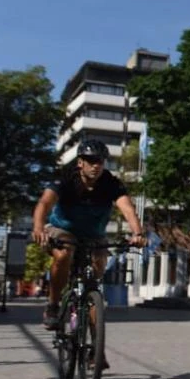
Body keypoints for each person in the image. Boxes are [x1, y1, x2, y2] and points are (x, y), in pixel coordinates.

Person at [31, 138, 147, 338]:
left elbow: (128, 209)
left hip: (93, 235)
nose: (96, 165)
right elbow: (44, 203)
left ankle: (95, 350)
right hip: (62, 229)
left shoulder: (111, 184)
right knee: (63, 254)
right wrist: (39, 227)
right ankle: (52, 305)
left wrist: (137, 233)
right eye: (90, 160)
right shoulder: (66, 179)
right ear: (80, 162)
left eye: (100, 161)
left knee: (93, 285)